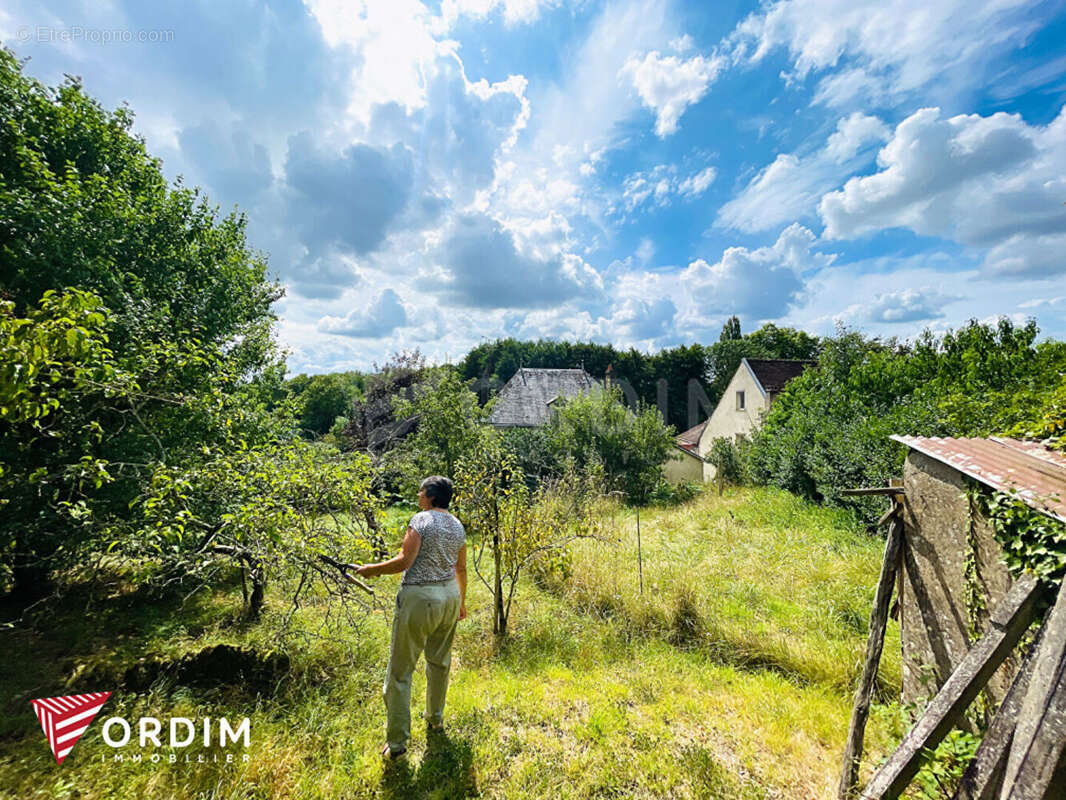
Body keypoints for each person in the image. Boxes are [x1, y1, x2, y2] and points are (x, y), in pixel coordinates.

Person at [355, 475, 467, 760]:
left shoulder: (421, 520)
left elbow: (405, 560)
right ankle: (435, 719)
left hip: (421, 598)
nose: (418, 496)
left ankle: (397, 744)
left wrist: (372, 569)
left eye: (420, 492)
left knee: (400, 671)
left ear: (430, 496)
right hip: (450, 597)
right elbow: (461, 568)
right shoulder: (457, 525)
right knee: (439, 663)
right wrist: (462, 603)